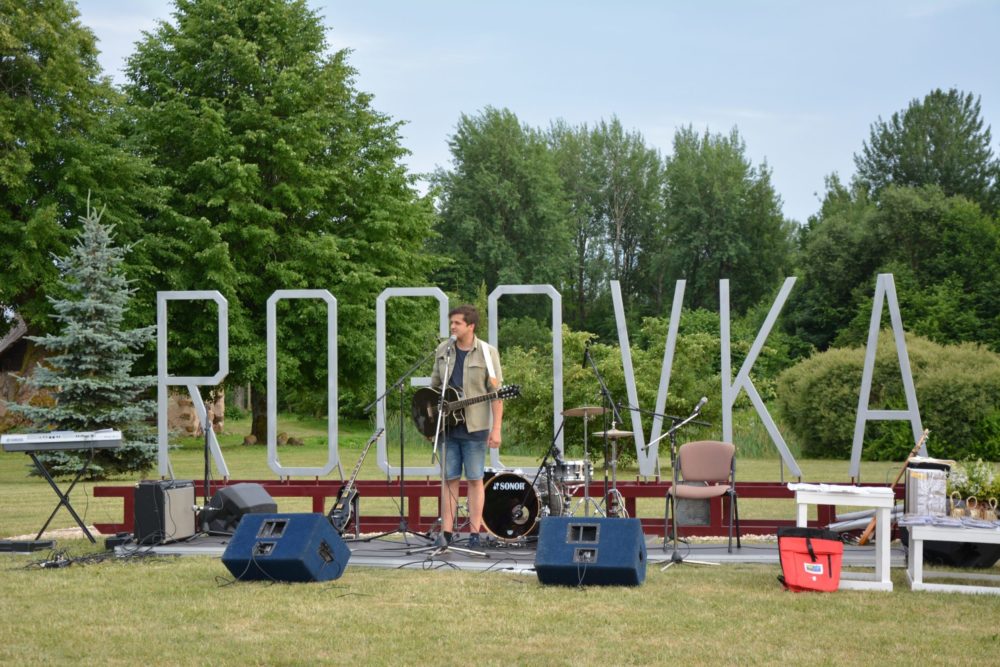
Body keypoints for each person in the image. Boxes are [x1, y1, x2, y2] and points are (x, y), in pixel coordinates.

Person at [429, 304, 503, 548]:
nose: (452, 327)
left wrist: (496, 429)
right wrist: (431, 424)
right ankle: (447, 533)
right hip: (446, 427)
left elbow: (496, 394)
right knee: (449, 479)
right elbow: (434, 389)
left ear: (470, 326)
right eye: (451, 323)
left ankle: (474, 534)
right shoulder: (443, 350)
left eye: (457, 323)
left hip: (475, 427)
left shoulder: (488, 353)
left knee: (474, 479)